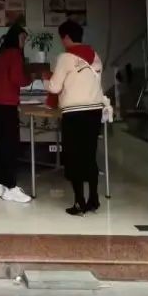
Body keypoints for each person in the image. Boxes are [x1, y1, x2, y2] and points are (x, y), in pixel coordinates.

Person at [48, 19, 108, 216]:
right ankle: (94, 199)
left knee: (74, 156)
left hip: (74, 113)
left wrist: (46, 79)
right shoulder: (95, 55)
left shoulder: (65, 58)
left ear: (66, 37)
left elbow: (54, 87)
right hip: (94, 111)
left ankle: (79, 202)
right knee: (89, 155)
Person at [0, 25, 33, 204]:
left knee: (0, 146)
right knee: (10, 146)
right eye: (23, 38)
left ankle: (2, 185)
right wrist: (30, 78)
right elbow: (17, 78)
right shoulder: (14, 54)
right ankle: (11, 187)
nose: (24, 42)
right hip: (6, 105)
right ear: (15, 38)